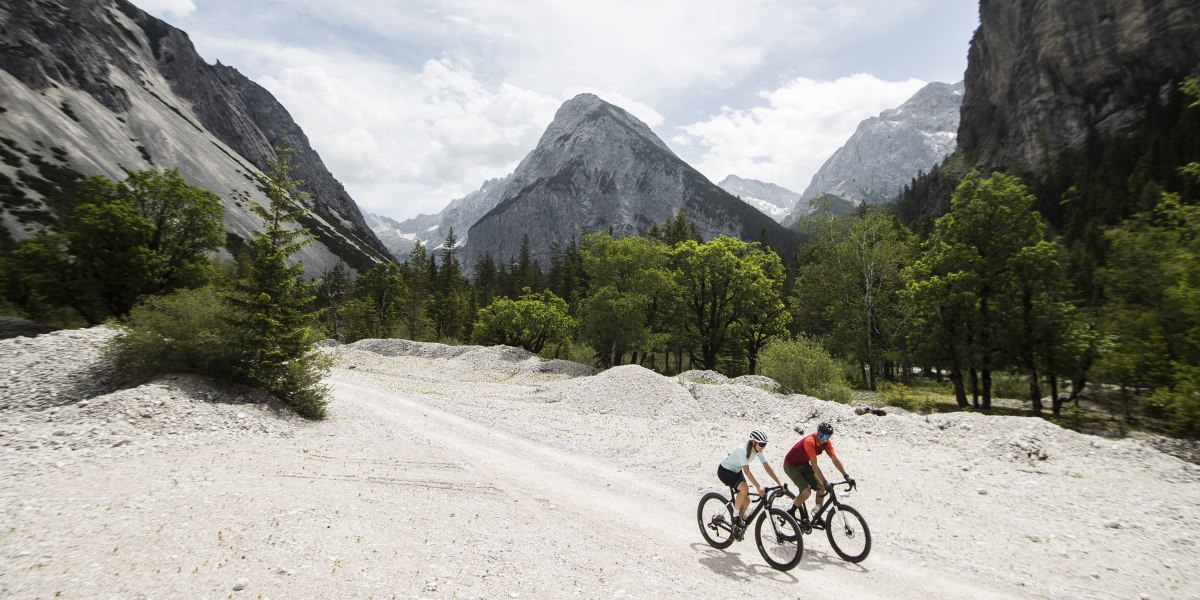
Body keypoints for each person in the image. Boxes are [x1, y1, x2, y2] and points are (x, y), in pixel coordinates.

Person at [782, 422, 853, 526]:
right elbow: (814, 465)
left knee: (821, 488)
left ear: (829, 437)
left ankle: (817, 515)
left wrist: (846, 476)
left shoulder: (827, 443)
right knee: (806, 492)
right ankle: (790, 512)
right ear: (817, 433)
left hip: (803, 464)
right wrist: (825, 481)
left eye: (825, 437)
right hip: (791, 466)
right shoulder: (809, 441)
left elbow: (834, 459)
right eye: (820, 435)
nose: (822, 439)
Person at [717, 429, 785, 535]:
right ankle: (735, 517)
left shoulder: (757, 450)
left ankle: (737, 526)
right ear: (753, 442)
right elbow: (747, 471)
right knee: (744, 489)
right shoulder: (742, 449)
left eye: (765, 445)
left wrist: (779, 483)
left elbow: (766, 466)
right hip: (725, 471)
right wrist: (758, 487)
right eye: (761, 444)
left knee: (747, 501)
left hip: (736, 471)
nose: (763, 447)